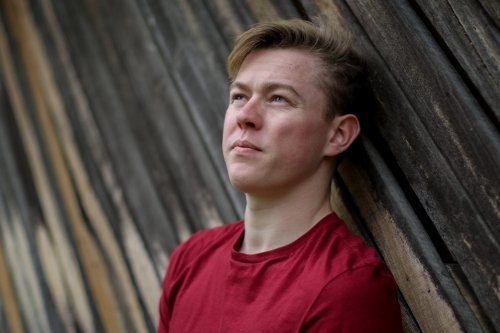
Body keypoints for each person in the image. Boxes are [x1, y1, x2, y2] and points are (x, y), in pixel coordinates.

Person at [158, 18, 403, 333]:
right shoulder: (191, 259)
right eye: (239, 96)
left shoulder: (348, 287)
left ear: (337, 135)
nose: (245, 116)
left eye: (278, 99)